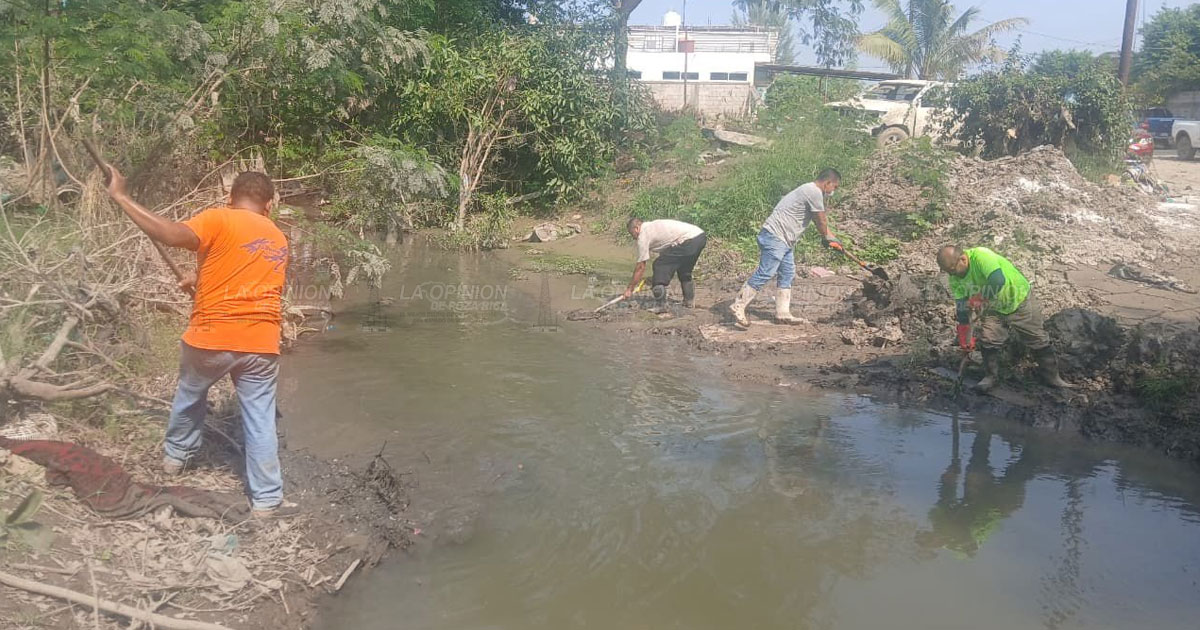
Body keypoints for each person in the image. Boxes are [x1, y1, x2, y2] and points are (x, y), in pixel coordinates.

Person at [106, 167, 291, 517]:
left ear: (230, 198)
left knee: (190, 394)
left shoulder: (219, 218)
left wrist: (122, 197)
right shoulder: (279, 239)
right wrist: (200, 279)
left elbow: (172, 235)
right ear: (269, 206)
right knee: (261, 419)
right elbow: (246, 273)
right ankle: (267, 500)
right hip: (261, 343)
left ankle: (177, 456)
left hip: (211, 336)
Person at [936, 245, 1074, 392]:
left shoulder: (981, 256)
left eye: (952, 270)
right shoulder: (955, 278)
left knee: (1036, 339)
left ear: (963, 259)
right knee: (989, 340)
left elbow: (997, 280)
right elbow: (962, 308)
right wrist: (965, 336)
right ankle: (991, 377)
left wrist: (978, 299)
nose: (952, 275)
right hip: (993, 308)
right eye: (947, 272)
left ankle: (1052, 377)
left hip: (1018, 299)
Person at [729, 168, 843, 328]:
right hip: (775, 236)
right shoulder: (814, 191)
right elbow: (821, 221)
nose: (833, 191)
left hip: (785, 240)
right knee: (766, 272)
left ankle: (782, 313)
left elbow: (822, 224)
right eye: (835, 187)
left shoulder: (808, 190)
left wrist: (833, 239)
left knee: (788, 272)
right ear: (827, 183)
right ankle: (738, 305)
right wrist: (827, 237)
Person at [623, 217, 707, 310]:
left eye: (632, 234)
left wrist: (630, 289)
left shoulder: (643, 235)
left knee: (659, 265)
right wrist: (654, 278)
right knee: (684, 270)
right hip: (700, 237)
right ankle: (689, 302)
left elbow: (640, 267)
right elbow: (669, 256)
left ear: (637, 229)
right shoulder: (652, 227)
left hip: (688, 240)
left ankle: (661, 306)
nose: (633, 238)